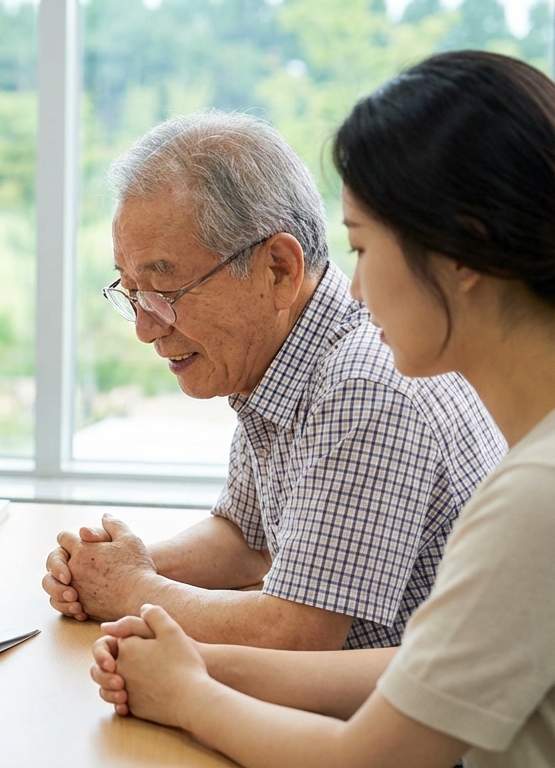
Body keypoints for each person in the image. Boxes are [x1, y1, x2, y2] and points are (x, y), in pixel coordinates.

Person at [92, 50, 555, 767]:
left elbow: (371, 756)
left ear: (467, 251)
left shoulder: (534, 494)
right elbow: (426, 666)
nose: (358, 291)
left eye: (365, 248)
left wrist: (187, 688)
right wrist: (194, 662)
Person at [42, 112, 504, 651]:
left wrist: (131, 589)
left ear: (278, 269)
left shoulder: (364, 385)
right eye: (133, 294)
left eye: (165, 293)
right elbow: (247, 541)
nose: (146, 329)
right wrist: (115, 564)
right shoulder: (279, 355)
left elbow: (297, 632)